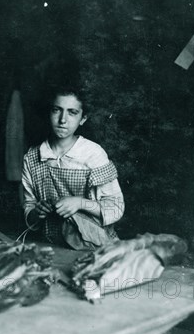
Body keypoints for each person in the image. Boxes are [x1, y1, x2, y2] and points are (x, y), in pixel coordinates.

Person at [22, 88, 124, 250]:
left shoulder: (92, 154)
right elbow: (29, 205)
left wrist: (80, 203)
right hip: (50, 246)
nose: (63, 120)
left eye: (72, 112)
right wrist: (37, 211)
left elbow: (116, 207)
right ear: (49, 112)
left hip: (94, 246)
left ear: (82, 119)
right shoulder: (32, 157)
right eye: (57, 110)